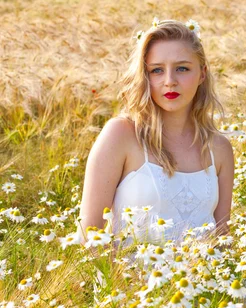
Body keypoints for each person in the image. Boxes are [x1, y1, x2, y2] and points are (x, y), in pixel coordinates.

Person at [76, 18, 234, 250]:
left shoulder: (218, 148)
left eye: (182, 68)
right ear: (144, 75)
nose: (170, 81)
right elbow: (89, 235)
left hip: (204, 284)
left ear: (202, 73)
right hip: (128, 283)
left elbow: (222, 238)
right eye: (157, 70)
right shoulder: (121, 135)